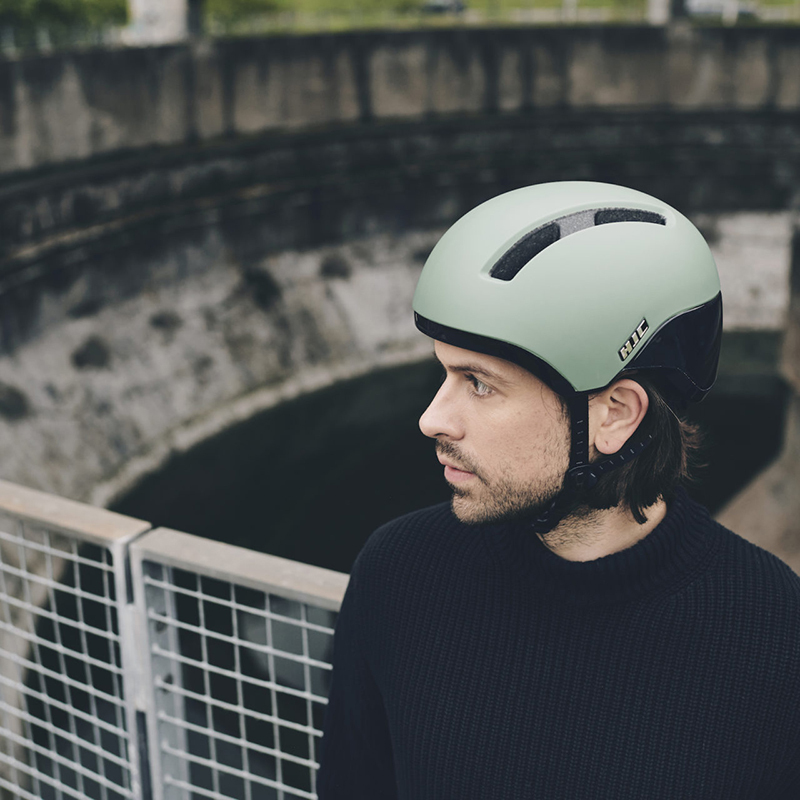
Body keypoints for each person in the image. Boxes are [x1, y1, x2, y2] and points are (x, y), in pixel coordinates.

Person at [317, 182, 800, 798]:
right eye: (444, 373)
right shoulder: (399, 573)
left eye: (479, 383)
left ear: (615, 415)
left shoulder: (774, 634)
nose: (432, 419)